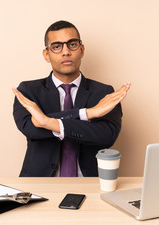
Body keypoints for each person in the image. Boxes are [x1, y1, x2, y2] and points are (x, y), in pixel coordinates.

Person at [12, 20, 130, 177]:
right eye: (56, 46)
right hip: (40, 183)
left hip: (90, 183)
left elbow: (107, 136)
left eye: (72, 44)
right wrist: (87, 113)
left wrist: (47, 122)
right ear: (46, 54)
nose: (66, 52)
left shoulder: (104, 93)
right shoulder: (28, 91)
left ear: (81, 50)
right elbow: (30, 129)